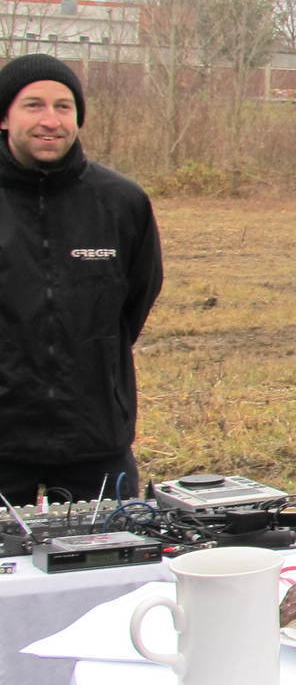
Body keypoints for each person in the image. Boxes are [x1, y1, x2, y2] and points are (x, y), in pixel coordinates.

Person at [0, 54, 163, 507]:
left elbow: (136, 297)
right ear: (4, 117)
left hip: (95, 437)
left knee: (110, 570)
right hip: (3, 437)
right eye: (33, 105)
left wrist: (95, 363)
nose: (50, 120)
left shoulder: (121, 202)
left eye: (63, 106)